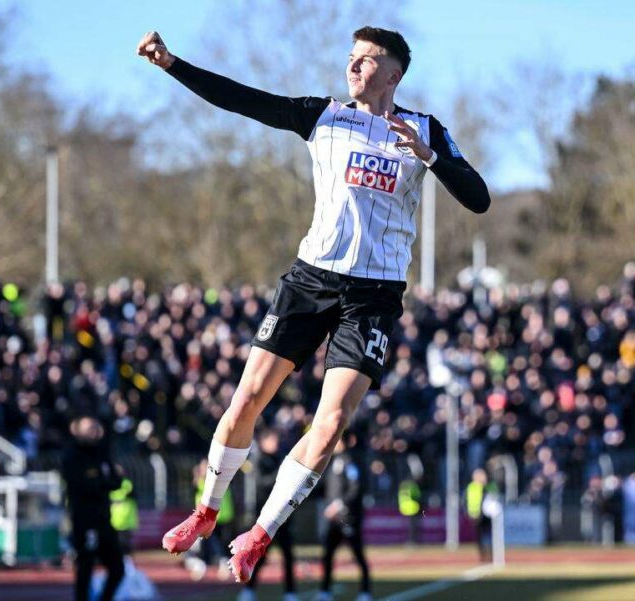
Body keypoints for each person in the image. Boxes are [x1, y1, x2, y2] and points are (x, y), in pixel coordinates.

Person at [139, 25, 491, 583]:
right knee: (249, 396)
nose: (354, 66)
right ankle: (206, 510)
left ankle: (259, 535)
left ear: (395, 73)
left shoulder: (426, 129)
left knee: (330, 426)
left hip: (374, 296)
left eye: (367, 59)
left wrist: (429, 157)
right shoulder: (323, 116)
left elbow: (479, 198)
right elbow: (243, 99)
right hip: (311, 281)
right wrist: (172, 64)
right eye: (351, 57)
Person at [62, 415, 125, 601]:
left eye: (95, 428)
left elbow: (116, 480)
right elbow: (82, 485)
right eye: (89, 428)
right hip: (84, 522)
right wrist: (103, 482)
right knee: (85, 567)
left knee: (117, 568)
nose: (94, 432)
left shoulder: (102, 453)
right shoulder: (72, 456)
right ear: (78, 431)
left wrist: (102, 482)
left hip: (104, 520)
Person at [240, 429, 297, 601]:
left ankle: (290, 592)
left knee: (288, 556)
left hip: (282, 517)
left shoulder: (280, 457)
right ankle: (248, 590)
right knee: (260, 557)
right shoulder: (258, 459)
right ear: (264, 441)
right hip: (265, 517)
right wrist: (280, 476)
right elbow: (261, 483)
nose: (275, 443)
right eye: (271, 440)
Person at [318, 430, 370, 601]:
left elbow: (355, 488)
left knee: (357, 554)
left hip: (348, 517)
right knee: (327, 555)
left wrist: (338, 505)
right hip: (334, 519)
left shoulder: (350, 460)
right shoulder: (333, 460)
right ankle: (325, 591)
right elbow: (328, 488)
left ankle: (365, 592)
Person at [466, 469, 487, 560]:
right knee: (480, 537)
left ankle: (486, 554)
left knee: (484, 536)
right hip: (476, 515)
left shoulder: (484, 487)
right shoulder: (472, 487)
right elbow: (466, 501)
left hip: (483, 515)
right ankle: (483, 554)